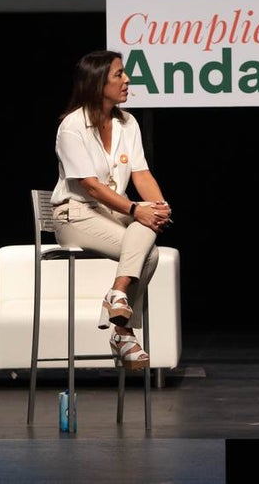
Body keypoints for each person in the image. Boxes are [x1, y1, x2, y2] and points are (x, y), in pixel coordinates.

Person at [50, 49, 173, 371]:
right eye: (119, 74)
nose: (127, 79)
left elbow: (141, 173)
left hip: (110, 211)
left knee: (148, 221)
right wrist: (136, 209)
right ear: (96, 82)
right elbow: (90, 186)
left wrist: (157, 207)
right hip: (74, 213)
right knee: (149, 252)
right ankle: (123, 331)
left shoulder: (127, 122)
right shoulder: (71, 127)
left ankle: (117, 300)